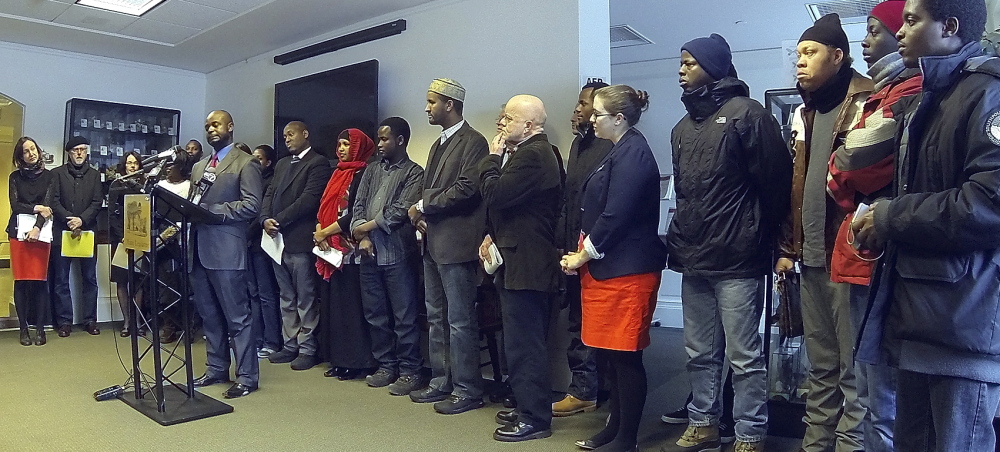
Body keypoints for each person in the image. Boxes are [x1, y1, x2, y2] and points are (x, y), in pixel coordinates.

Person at [853, 0, 1000, 449]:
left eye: (913, 20)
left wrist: (889, 216)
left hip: (962, 325)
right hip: (920, 318)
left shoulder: (987, 92)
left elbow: (988, 204)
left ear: (950, 27)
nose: (901, 30)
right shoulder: (931, 96)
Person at [660, 35, 792, 452]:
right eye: (680, 63)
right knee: (699, 351)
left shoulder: (748, 115)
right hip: (693, 256)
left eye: (690, 63)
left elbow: (776, 185)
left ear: (714, 67)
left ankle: (750, 431)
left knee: (744, 355)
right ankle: (703, 422)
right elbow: (683, 193)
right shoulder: (681, 129)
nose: (681, 70)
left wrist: (762, 236)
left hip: (738, 257)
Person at [775, 13, 874, 452]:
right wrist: (788, 248)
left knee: (854, 371)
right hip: (810, 256)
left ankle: (851, 446)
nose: (800, 62)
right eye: (798, 53)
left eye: (810, 53)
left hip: (849, 257)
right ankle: (815, 446)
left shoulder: (869, 98)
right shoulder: (807, 110)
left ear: (837, 56)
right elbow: (798, 183)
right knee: (821, 367)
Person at [826, 2, 916, 450]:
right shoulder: (880, 95)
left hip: (881, 251)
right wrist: (843, 169)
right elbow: (841, 171)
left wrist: (843, 168)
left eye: (877, 29)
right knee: (861, 378)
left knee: (879, 391)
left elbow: (853, 159)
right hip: (858, 249)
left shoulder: (909, 92)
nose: (868, 39)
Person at [559, 86, 667, 452]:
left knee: (625, 358)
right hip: (610, 270)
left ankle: (626, 438)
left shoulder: (633, 152)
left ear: (619, 118)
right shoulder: (618, 149)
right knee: (609, 355)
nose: (592, 119)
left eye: (598, 114)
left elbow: (616, 215)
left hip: (628, 272)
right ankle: (614, 428)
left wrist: (583, 255)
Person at [481, 94, 562, 442]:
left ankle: (534, 419)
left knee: (524, 345)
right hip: (519, 259)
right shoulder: (532, 153)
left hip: (527, 264)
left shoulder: (533, 155)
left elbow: (494, 194)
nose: (501, 122)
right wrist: (490, 233)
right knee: (520, 341)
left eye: (508, 117)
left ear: (529, 125)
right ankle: (528, 406)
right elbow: (507, 208)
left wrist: (492, 157)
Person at [406, 79, 490, 415]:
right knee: (437, 318)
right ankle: (441, 382)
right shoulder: (438, 144)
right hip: (432, 243)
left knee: (460, 320)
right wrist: (418, 213)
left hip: (457, 246)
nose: (427, 108)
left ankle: (468, 389)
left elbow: (468, 188)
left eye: (431, 102)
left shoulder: (474, 142)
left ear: (450, 104)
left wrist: (423, 206)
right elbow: (428, 190)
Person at [189, 110, 263, 399]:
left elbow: (251, 206)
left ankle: (247, 377)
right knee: (209, 315)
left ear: (231, 127)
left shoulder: (247, 163)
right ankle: (216, 368)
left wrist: (212, 212)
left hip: (227, 251)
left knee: (237, 317)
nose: (211, 129)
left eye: (216, 124)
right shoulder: (200, 166)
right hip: (198, 249)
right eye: (207, 125)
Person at [350, 117, 426, 396]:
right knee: (375, 315)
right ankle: (386, 365)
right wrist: (363, 235)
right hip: (368, 254)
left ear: (401, 140)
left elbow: (400, 211)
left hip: (398, 254)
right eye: (378, 139)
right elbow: (357, 205)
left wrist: (364, 228)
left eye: (384, 139)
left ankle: (410, 371)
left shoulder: (414, 172)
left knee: (404, 317)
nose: (379, 144)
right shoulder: (370, 171)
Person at [552, 81, 613, 418]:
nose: (577, 109)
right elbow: (569, 199)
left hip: (599, 251)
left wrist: (588, 248)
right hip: (574, 249)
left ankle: (597, 389)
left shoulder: (611, 146)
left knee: (599, 324)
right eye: (577, 103)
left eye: (584, 103)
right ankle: (584, 390)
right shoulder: (578, 146)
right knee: (578, 322)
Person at [261, 121, 332, 371]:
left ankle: (307, 347)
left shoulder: (318, 163)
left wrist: (277, 220)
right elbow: (269, 194)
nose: (287, 139)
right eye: (284, 136)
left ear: (305, 133)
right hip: (276, 241)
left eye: (291, 134)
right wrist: (264, 219)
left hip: (300, 239)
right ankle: (289, 344)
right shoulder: (281, 164)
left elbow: (309, 200)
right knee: (286, 296)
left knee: (306, 297)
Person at [314, 128, 378, 380]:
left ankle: (356, 362)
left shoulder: (363, 173)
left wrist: (325, 232)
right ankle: (339, 359)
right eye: (338, 144)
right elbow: (323, 207)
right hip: (328, 248)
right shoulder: (337, 173)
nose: (340, 148)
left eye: (345, 144)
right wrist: (319, 230)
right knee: (333, 307)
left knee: (351, 308)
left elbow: (354, 213)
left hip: (350, 250)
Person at [50, 136, 103, 337]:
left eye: (82, 149)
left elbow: (98, 202)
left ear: (87, 152)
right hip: (62, 231)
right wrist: (70, 220)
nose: (79, 153)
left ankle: (90, 320)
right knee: (61, 279)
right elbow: (53, 202)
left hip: (88, 232)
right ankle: (64, 322)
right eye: (75, 150)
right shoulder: (56, 174)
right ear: (69, 153)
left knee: (89, 279)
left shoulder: (95, 175)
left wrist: (81, 220)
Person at [8, 136, 53, 346]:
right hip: (17, 234)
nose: (31, 153)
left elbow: (49, 205)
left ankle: (41, 329)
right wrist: (36, 208)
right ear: (20, 156)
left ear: (38, 150)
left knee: (39, 281)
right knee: (22, 281)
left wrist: (36, 228)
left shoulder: (50, 176)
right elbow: (16, 205)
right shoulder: (15, 177)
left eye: (33, 149)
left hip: (41, 234)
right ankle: (24, 329)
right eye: (26, 151)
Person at [248, 144, 282, 358]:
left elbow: (259, 212)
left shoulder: (270, 181)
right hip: (249, 244)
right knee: (253, 294)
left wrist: (246, 234)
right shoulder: (251, 180)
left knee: (267, 294)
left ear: (268, 162)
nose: (255, 162)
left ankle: (272, 341)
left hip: (263, 243)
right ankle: (257, 339)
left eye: (258, 159)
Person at [108, 151, 145, 337]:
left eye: (135, 163)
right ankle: (126, 322)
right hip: (120, 240)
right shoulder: (116, 185)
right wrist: (122, 236)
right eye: (129, 163)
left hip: (140, 239)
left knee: (138, 282)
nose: (132, 166)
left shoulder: (144, 186)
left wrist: (136, 236)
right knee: (122, 281)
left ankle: (138, 322)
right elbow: (112, 214)